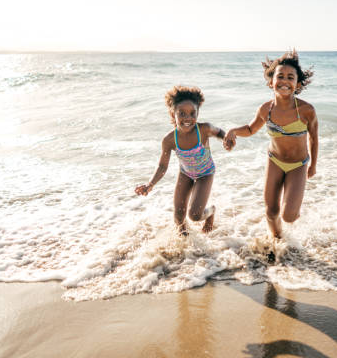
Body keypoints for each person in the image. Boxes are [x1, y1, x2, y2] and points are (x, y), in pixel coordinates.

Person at [223, 50, 318, 239]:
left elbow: (313, 138)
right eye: (280, 76)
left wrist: (313, 165)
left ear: (298, 84)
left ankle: (295, 207)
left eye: (290, 77)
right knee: (271, 212)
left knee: (289, 216)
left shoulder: (307, 110)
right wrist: (233, 131)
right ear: (271, 82)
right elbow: (250, 129)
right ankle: (278, 239)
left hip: (298, 165)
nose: (284, 81)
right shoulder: (266, 109)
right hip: (274, 161)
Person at [135, 85, 225, 236]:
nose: (187, 118)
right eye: (181, 113)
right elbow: (162, 166)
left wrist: (226, 140)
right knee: (178, 217)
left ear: (198, 113)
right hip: (186, 174)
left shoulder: (204, 129)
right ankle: (185, 245)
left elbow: (220, 132)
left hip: (206, 173)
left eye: (192, 113)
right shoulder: (169, 139)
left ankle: (211, 212)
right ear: (173, 114)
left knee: (195, 215)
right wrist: (150, 185)